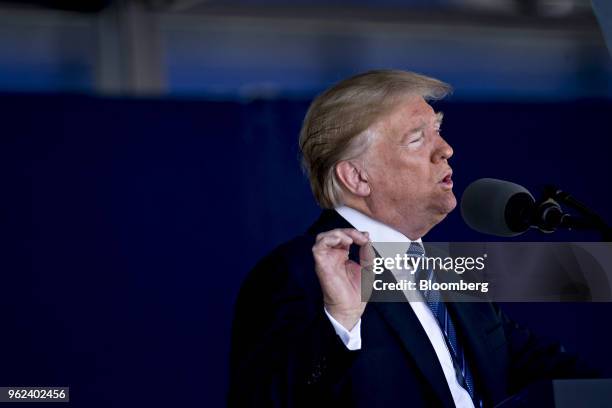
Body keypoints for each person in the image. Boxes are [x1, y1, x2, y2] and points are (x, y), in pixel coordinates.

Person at [228, 70, 593, 407]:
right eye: (417, 138)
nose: (446, 149)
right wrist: (339, 324)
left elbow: (540, 364)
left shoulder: (448, 270)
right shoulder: (299, 271)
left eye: (438, 130)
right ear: (356, 177)